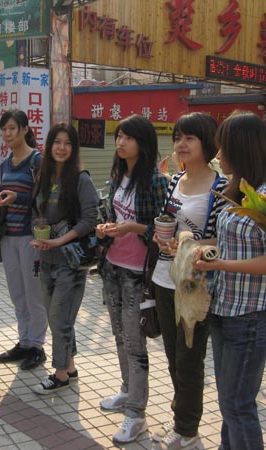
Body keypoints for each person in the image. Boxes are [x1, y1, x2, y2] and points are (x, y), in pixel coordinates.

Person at [194, 111, 266, 450]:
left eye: (223, 147)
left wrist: (222, 265)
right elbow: (230, 242)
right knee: (229, 402)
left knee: (238, 405)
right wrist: (192, 247)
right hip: (225, 308)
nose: (218, 155)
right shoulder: (240, 190)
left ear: (241, 148)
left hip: (252, 315)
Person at [150, 113, 228, 449]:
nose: (181, 144)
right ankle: (181, 419)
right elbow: (168, 222)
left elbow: (221, 241)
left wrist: (186, 244)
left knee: (190, 360)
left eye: (189, 138)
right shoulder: (176, 180)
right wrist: (162, 239)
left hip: (194, 285)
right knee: (172, 357)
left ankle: (188, 430)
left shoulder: (221, 187)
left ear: (207, 142)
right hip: (164, 277)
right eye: (178, 137)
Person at [96, 114, 167, 444]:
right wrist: (106, 228)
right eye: (119, 136)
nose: (121, 142)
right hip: (112, 266)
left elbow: (163, 231)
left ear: (144, 142)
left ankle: (136, 414)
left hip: (139, 273)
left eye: (128, 137)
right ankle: (127, 391)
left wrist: (132, 227)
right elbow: (114, 217)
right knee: (120, 335)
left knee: (135, 342)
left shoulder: (155, 181)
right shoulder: (118, 176)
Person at [29, 124, 99, 395]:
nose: (61, 148)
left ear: (74, 148)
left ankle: (60, 375)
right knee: (56, 316)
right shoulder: (43, 177)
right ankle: (69, 366)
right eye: (56, 142)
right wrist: (38, 233)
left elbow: (90, 219)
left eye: (67, 143)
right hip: (46, 257)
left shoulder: (81, 179)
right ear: (48, 146)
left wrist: (60, 240)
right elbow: (37, 211)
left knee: (60, 318)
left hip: (70, 262)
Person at [0, 109, 48, 371]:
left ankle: (37, 346)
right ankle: (24, 342)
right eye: (4, 130)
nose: (7, 134)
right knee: (17, 293)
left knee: (34, 295)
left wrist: (17, 197)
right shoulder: (4, 164)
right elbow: (3, 195)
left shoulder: (37, 161)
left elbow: (45, 197)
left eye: (12, 128)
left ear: (25, 129)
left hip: (30, 237)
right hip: (7, 237)